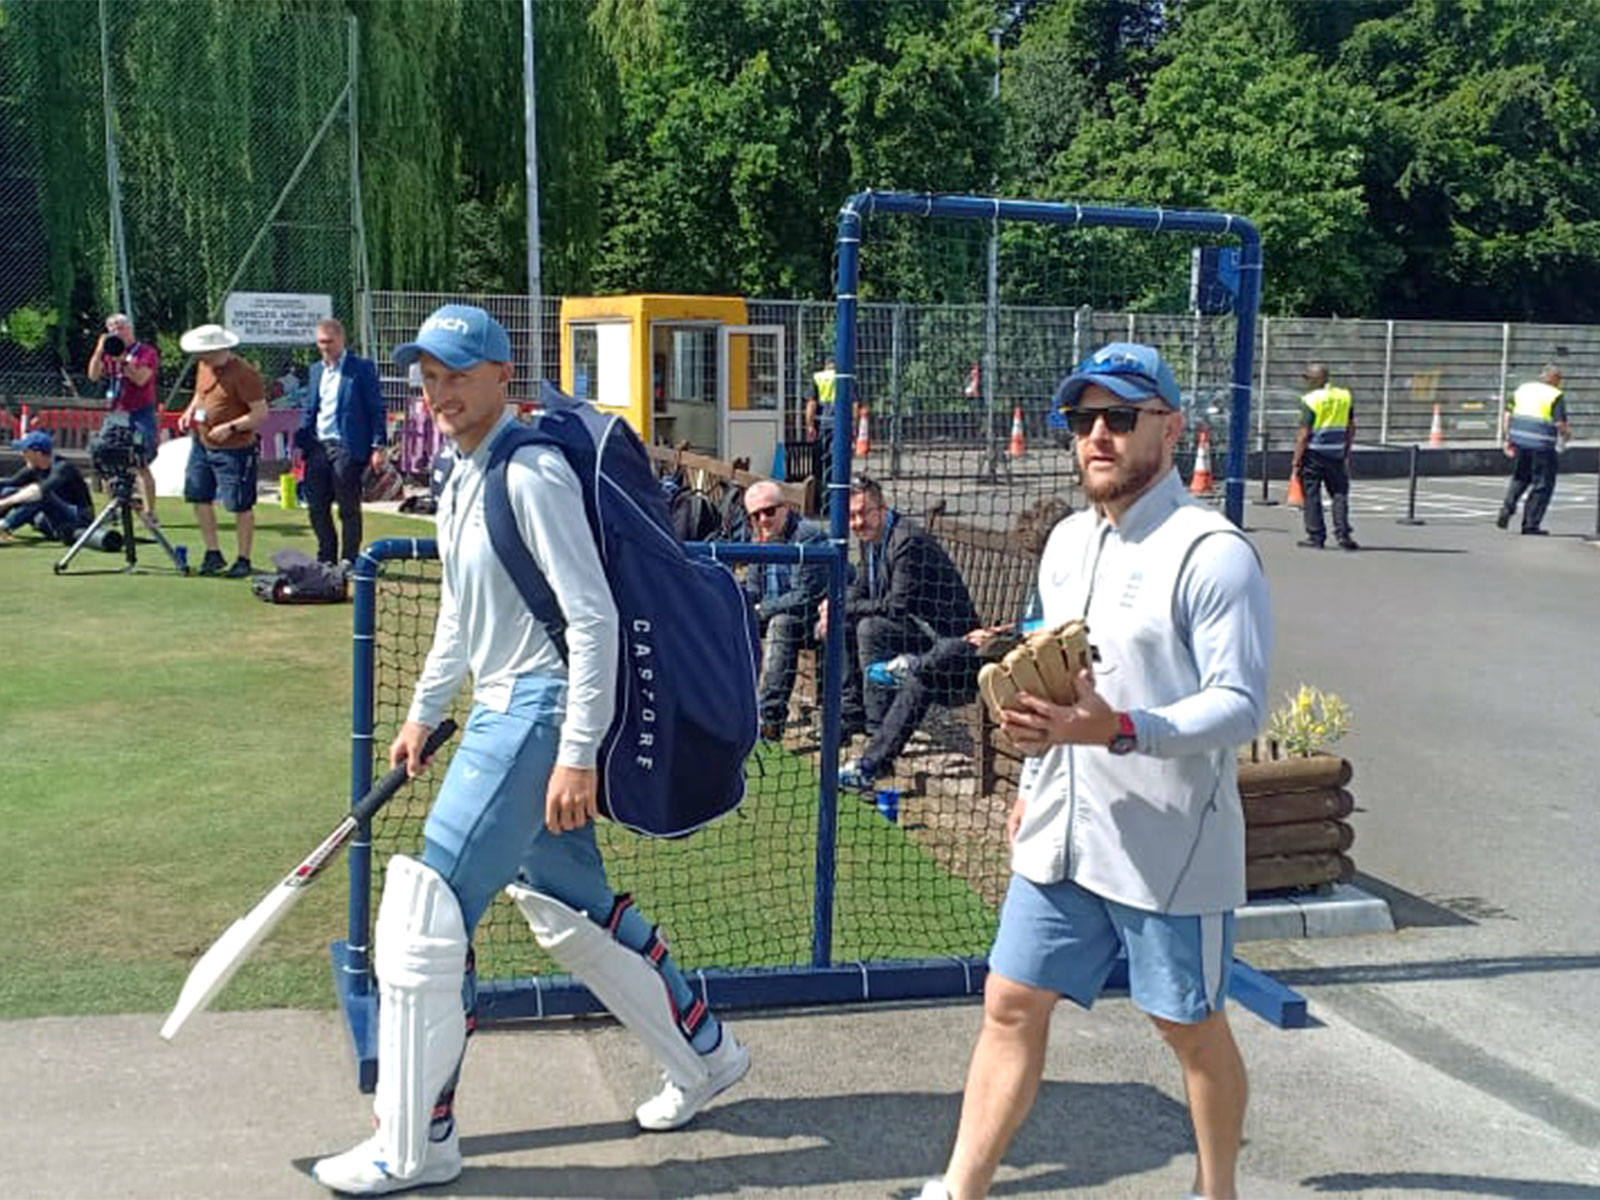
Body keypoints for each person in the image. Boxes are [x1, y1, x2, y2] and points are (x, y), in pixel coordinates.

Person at [312, 304, 749, 1196]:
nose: (440, 394)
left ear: (500, 376)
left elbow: (592, 619)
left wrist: (578, 753)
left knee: (427, 914)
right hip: (503, 711)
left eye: (456, 376)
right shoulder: (461, 473)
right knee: (566, 904)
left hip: (537, 713)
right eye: (428, 378)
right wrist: (423, 713)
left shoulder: (532, 469)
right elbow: (457, 614)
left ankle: (415, 1143)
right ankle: (705, 1055)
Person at [920, 342, 1272, 1200]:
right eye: (1083, 420)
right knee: (1009, 1002)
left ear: (1171, 428)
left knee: (1187, 1027)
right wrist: (1032, 778)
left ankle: (1216, 1189)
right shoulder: (1068, 541)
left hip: (1168, 844)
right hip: (1062, 834)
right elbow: (1058, 678)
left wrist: (1115, 729)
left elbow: (1239, 706)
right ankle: (960, 1188)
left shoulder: (1211, 550)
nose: (1098, 436)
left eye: (1120, 416)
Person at [842, 498, 1071, 791]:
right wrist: (1001, 631)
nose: (1040, 558)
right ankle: (871, 766)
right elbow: (1032, 623)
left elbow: (1058, 630)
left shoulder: (1073, 579)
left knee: (946, 652)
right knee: (923, 679)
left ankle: (913, 665)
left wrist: (1005, 636)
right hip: (1002, 651)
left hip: (1024, 668)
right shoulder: (1048, 574)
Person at [818, 474, 979, 756]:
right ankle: (851, 714)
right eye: (851, 516)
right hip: (912, 629)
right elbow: (862, 588)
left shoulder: (907, 541)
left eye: (864, 513)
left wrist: (844, 608)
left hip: (947, 640)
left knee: (870, 629)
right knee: (843, 623)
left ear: (883, 509)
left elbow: (897, 606)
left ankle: (878, 732)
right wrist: (834, 606)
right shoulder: (872, 538)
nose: (858, 522)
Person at [176, 323, 267, 577]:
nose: (200, 357)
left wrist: (231, 427)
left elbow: (260, 413)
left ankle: (243, 558)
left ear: (219, 349)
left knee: (240, 504)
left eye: (203, 352)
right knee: (198, 495)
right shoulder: (204, 366)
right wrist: (189, 412)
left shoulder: (245, 374)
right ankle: (212, 552)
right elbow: (200, 394)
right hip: (202, 442)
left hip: (235, 448)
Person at [295, 316, 388, 564]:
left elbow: (376, 408)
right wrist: (300, 444)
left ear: (341, 340)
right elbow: (310, 409)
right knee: (316, 505)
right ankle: (326, 556)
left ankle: (349, 558)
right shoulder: (316, 370)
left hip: (346, 445)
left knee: (347, 506)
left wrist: (378, 446)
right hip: (318, 445)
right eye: (320, 342)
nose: (325, 347)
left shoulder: (360, 369)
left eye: (329, 341)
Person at [742, 478, 830, 741]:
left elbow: (805, 597)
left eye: (769, 511)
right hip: (776, 611)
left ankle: (770, 720)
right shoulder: (759, 538)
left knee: (780, 624)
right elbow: (753, 589)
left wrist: (760, 609)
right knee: (729, 620)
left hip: (816, 617)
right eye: (756, 515)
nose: (763, 519)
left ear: (786, 508)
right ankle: (725, 706)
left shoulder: (808, 536)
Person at [85, 311, 162, 522]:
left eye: (121, 328)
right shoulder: (108, 352)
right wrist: (100, 350)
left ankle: (149, 511)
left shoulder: (145, 352)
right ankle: (114, 508)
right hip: (116, 413)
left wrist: (123, 359)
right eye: (112, 329)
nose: (117, 333)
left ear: (130, 329)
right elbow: (93, 375)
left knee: (140, 459)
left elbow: (141, 379)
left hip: (139, 414)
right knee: (106, 456)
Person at [1290, 361, 1357, 550]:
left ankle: (1316, 536)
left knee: (1312, 495)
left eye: (1308, 378)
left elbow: (1304, 433)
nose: (1306, 382)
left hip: (1314, 452)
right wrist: (1346, 450)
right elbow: (1351, 427)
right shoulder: (1344, 396)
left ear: (1316, 380)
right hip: (1336, 452)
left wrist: (1296, 460)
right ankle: (1343, 534)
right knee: (1339, 493)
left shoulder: (1310, 400)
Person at [1497, 364, 1570, 535]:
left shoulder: (1524, 389)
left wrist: (1508, 439)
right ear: (1555, 379)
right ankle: (1530, 524)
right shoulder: (1555, 395)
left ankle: (1507, 508)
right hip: (1542, 444)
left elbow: (1507, 414)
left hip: (1520, 441)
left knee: (1520, 477)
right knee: (1542, 484)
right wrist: (1566, 436)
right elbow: (1559, 423)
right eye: (1560, 379)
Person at [0, 430, 93, 543]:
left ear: (37, 453)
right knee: (9, 491)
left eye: (25, 451)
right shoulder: (34, 468)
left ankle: (3, 527)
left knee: (40, 495)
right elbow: (8, 483)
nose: (22, 454)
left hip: (76, 522)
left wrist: (5, 503)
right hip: (49, 520)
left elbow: (40, 491)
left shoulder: (63, 467)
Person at [803, 356, 838, 513]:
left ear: (825, 365)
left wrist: (810, 425)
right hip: (839, 426)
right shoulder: (846, 378)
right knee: (837, 465)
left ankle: (820, 504)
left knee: (820, 466)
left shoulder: (818, 378)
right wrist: (853, 427)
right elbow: (854, 405)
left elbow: (811, 404)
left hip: (822, 425)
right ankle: (835, 504)